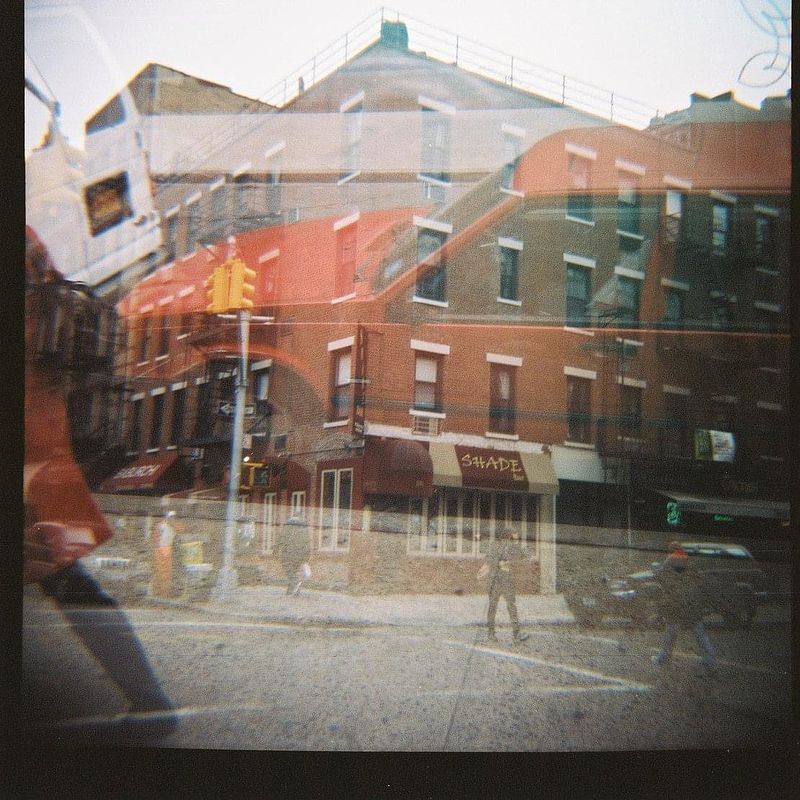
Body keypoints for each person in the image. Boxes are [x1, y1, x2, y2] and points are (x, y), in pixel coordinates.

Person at [24, 227, 176, 735]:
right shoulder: (40, 264)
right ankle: (150, 701)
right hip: (42, 451)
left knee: (69, 583)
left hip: (34, 454)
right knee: (70, 584)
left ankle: (150, 702)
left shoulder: (33, 265)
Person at [651, 543, 718, 674]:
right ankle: (711, 662)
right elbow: (700, 580)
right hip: (692, 604)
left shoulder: (670, 561)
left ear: (671, 551)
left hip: (676, 604)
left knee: (670, 633)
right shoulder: (689, 562)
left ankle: (663, 658)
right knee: (700, 635)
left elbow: (658, 576)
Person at [479, 527, 530, 643]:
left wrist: (518, 548)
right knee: (495, 607)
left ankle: (513, 633)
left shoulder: (511, 547)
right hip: (497, 580)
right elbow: (489, 560)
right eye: (514, 536)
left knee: (509, 606)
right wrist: (500, 563)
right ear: (508, 536)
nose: (515, 538)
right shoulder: (498, 546)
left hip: (504, 581)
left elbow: (521, 557)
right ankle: (493, 634)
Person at [277, 516, 311, 595]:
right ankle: (294, 590)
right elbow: (307, 545)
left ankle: (294, 585)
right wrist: (306, 557)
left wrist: (276, 550)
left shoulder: (287, 531)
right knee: (295, 572)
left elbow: (281, 540)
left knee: (290, 571)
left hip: (288, 555)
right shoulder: (304, 532)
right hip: (300, 556)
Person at [153, 510, 177, 597]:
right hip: (161, 551)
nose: (172, 519)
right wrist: (159, 549)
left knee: (167, 573)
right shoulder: (161, 526)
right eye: (171, 517)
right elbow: (156, 538)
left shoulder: (173, 527)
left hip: (168, 551)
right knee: (160, 572)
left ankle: (165, 593)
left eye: (173, 517)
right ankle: (159, 592)